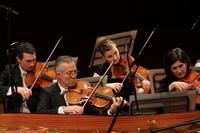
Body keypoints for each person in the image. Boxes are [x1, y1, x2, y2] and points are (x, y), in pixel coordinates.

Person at [37, 55, 127, 115]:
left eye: (75, 72)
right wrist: (64, 109)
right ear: (58, 75)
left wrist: (111, 110)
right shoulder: (48, 92)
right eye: (69, 73)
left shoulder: (84, 90)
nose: (74, 76)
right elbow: (40, 113)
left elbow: (95, 117)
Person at [0, 41, 41, 113]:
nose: (32, 64)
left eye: (34, 60)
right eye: (28, 61)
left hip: (36, 113)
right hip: (15, 114)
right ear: (18, 59)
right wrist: (16, 89)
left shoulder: (40, 69)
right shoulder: (9, 70)